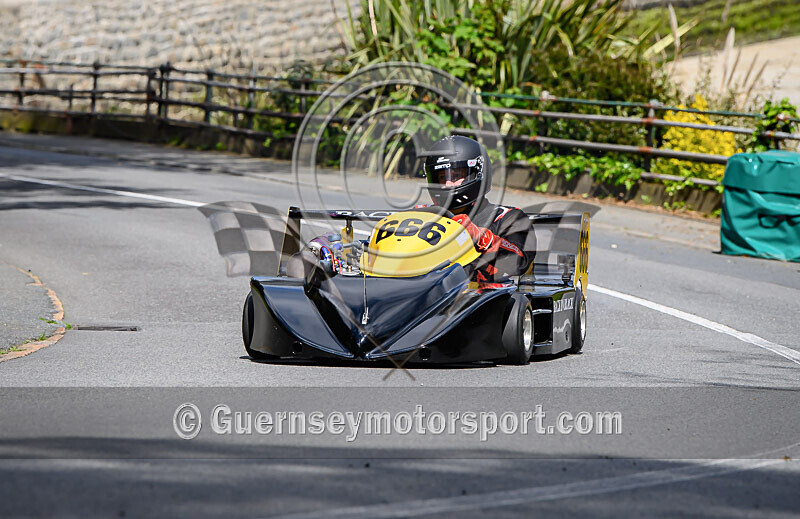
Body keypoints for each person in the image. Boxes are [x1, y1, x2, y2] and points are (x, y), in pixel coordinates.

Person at [423, 135, 533, 283]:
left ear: (478, 173)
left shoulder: (508, 218)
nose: (448, 184)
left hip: (481, 299)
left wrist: (482, 238)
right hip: (427, 295)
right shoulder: (423, 216)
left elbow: (520, 263)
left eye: (456, 176)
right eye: (442, 178)